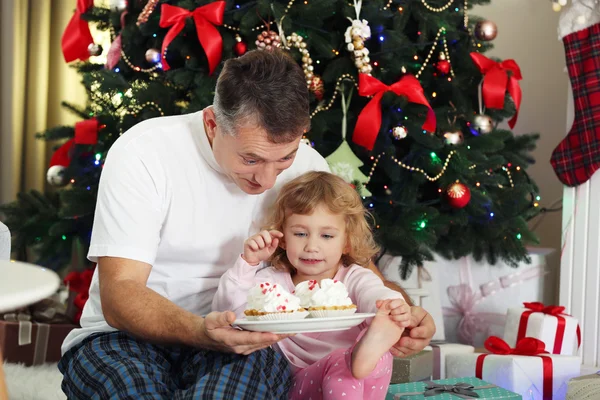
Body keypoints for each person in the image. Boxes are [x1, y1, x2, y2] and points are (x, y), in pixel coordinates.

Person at [58, 49, 435, 399]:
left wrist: (405, 312)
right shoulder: (144, 152)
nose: (268, 181)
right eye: (251, 159)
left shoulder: (308, 167)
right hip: (123, 337)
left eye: (284, 158)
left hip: (247, 341)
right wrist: (201, 331)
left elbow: (357, 268)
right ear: (211, 124)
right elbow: (120, 294)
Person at [213, 171, 411, 399]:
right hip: (299, 383)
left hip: (357, 383)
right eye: (300, 233)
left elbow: (373, 292)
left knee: (375, 354)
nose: (312, 246)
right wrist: (248, 264)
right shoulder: (273, 282)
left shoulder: (354, 277)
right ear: (284, 238)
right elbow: (230, 310)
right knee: (343, 364)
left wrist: (390, 308)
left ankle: (369, 346)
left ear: (347, 242)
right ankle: (357, 355)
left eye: (326, 236)